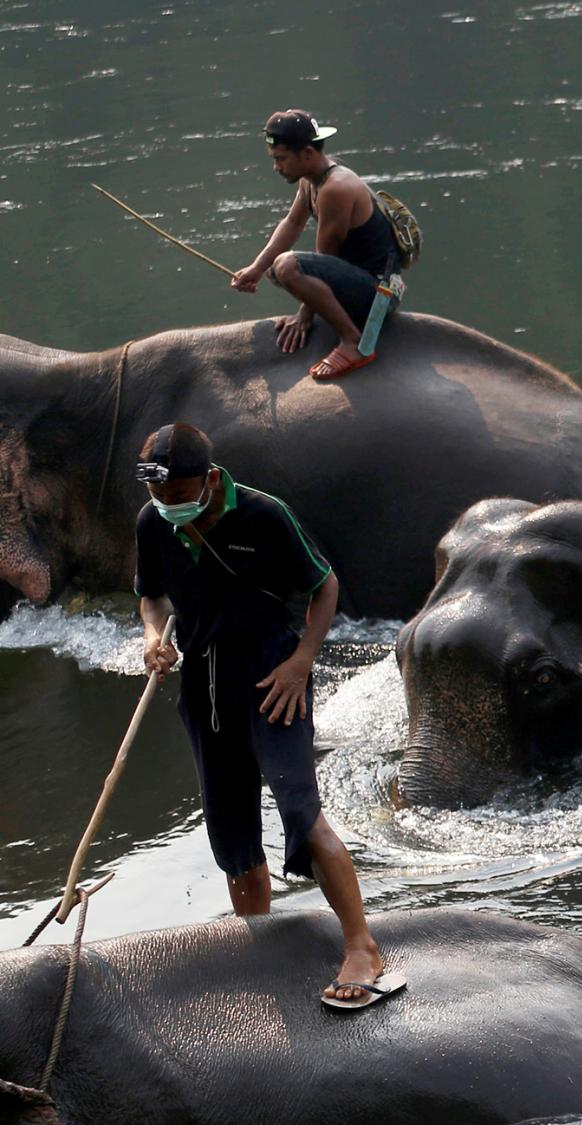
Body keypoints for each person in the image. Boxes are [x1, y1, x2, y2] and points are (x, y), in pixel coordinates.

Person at [131, 423, 394, 1009]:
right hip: (204, 687)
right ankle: (258, 945)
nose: (170, 508)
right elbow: (152, 596)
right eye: (161, 498)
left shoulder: (263, 513)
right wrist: (154, 637)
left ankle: (362, 946)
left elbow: (324, 586)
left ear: (210, 478)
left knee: (301, 810)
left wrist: (302, 661)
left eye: (180, 495)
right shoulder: (153, 522)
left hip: (274, 682)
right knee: (231, 832)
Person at [230, 109, 405, 382]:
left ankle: (352, 342)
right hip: (354, 276)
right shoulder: (311, 180)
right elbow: (292, 223)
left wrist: (304, 315)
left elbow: (325, 257)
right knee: (273, 269)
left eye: (282, 159)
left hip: (379, 291)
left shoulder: (336, 188)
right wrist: (255, 268)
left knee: (287, 267)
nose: (277, 167)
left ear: (308, 153)